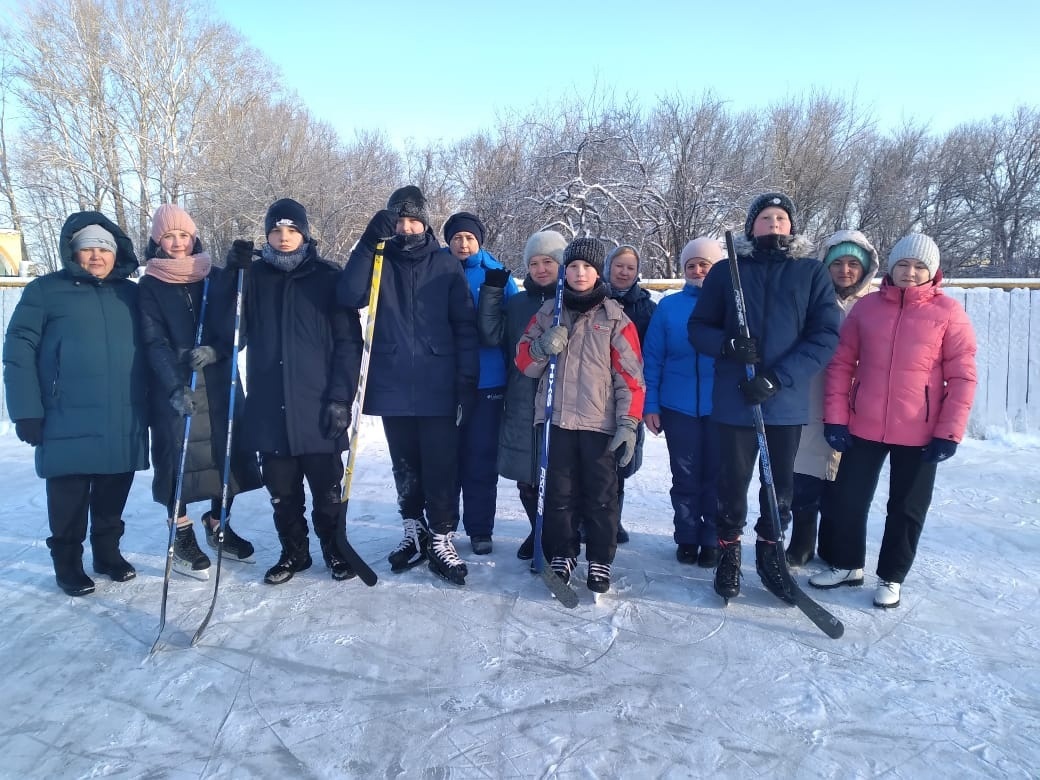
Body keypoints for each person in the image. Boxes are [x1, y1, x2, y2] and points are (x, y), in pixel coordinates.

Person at [810, 233, 977, 608]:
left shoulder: (948, 313)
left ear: (932, 272)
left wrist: (949, 431)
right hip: (863, 423)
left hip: (921, 430)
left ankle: (892, 576)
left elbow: (963, 376)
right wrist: (836, 419)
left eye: (920, 267)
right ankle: (846, 564)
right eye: (903, 264)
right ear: (891, 266)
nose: (910, 273)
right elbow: (841, 365)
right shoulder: (867, 309)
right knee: (848, 499)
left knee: (906, 507)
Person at [688, 193, 840, 604]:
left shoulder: (810, 273)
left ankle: (771, 555)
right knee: (731, 484)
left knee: (780, 488)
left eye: (781, 218)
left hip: (784, 401)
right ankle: (728, 554)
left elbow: (825, 335)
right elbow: (698, 327)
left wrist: (778, 378)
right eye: (765, 218)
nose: (774, 224)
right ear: (751, 226)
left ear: (791, 226)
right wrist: (728, 345)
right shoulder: (726, 272)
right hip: (734, 401)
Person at [338, 186, 479, 585]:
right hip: (393, 380)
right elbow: (348, 295)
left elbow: (464, 326)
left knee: (440, 464)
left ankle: (440, 536)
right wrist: (368, 242)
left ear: (426, 222)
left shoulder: (445, 264)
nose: (406, 227)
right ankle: (413, 530)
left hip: (438, 381)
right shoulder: (380, 260)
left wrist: (467, 380)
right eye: (399, 220)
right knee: (404, 464)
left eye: (413, 219)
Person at [3, 211, 149, 596]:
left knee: (113, 489)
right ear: (73, 252)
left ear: (117, 253)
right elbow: (18, 352)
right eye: (88, 249)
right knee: (68, 496)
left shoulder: (132, 293)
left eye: (104, 248)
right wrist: (26, 410)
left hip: (124, 412)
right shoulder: (44, 291)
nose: (96, 256)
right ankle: (67, 563)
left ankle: (107, 554)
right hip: (64, 414)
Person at [235, 198, 363, 584]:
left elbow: (348, 344)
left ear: (305, 234)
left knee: (327, 491)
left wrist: (342, 398)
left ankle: (334, 549)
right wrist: (231, 275)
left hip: (320, 406)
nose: (284, 237)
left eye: (292, 230)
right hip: (270, 410)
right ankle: (294, 552)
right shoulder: (253, 277)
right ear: (267, 235)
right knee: (283, 493)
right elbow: (232, 332)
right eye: (276, 230)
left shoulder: (327, 277)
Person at [138, 204, 262, 580]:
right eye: (168, 236)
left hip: (219, 380)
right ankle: (182, 536)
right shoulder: (150, 285)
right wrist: (173, 386)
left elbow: (240, 326)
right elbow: (152, 340)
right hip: (174, 386)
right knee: (178, 462)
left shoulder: (217, 276)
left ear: (194, 237)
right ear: (157, 242)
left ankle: (217, 521)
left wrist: (243, 272)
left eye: (183, 235)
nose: (177, 243)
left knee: (227, 458)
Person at [516, 237, 645, 594]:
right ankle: (563, 552)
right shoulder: (548, 313)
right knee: (558, 493)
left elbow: (631, 379)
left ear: (597, 271)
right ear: (564, 271)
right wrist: (541, 348)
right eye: (573, 266)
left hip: (597, 423)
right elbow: (524, 362)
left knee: (601, 495)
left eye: (586, 267)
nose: (579, 273)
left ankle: (600, 558)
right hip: (556, 421)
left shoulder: (615, 318)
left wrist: (628, 423)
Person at [786, 230, 879, 567]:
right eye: (837, 262)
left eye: (853, 263)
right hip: (810, 396)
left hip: (857, 403)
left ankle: (834, 543)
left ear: (866, 268)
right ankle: (802, 540)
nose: (845, 270)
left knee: (845, 482)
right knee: (805, 474)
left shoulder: (873, 306)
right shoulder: (809, 300)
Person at [477, 229, 567, 561]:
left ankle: (560, 537)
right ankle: (538, 530)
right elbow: (491, 335)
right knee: (528, 476)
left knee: (560, 476)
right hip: (522, 397)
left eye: (548, 261)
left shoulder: (573, 300)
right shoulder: (518, 304)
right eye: (534, 263)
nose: (541, 269)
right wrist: (492, 292)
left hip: (562, 399)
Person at [643, 237, 724, 566]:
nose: (697, 270)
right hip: (678, 406)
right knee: (686, 476)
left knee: (717, 477)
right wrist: (651, 404)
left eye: (704, 264)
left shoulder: (731, 304)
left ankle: (712, 538)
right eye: (691, 265)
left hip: (721, 407)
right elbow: (653, 357)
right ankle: (687, 536)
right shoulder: (669, 307)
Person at [443, 211, 519, 555]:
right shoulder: (434, 269)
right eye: (457, 237)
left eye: (469, 238)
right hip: (443, 380)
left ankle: (479, 528)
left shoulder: (498, 274)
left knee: (481, 457)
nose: (463, 243)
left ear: (479, 241)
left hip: (488, 380)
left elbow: (513, 325)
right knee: (445, 458)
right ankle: (443, 526)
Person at [602, 245, 656, 544]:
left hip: (630, 393)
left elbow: (653, 353)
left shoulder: (646, 308)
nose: (623, 272)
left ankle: (613, 519)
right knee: (593, 460)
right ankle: (588, 518)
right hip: (597, 393)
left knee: (621, 459)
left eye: (630, 268)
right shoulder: (595, 300)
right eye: (619, 266)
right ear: (609, 267)